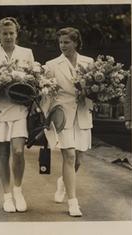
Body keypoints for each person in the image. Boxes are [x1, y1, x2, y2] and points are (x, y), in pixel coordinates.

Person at [0, 17, 34, 212]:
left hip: (19, 109)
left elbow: (33, 79)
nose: (9, 36)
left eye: (12, 33)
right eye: (5, 33)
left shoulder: (26, 53)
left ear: (16, 33)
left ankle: (18, 191)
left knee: (18, 151)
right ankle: (7, 196)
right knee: (3, 155)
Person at [45, 27, 93, 217]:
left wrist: (90, 95)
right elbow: (46, 92)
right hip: (62, 114)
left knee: (78, 160)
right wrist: (46, 116)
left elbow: (95, 91)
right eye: (61, 42)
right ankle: (73, 202)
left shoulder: (88, 62)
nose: (63, 46)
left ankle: (62, 181)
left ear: (76, 42)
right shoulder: (52, 65)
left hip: (82, 114)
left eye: (67, 42)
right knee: (70, 157)